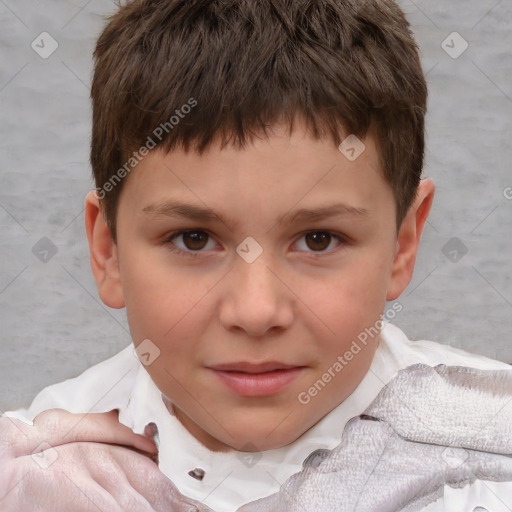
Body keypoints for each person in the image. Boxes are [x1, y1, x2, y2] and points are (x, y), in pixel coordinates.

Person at [1, 0, 511, 511]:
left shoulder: (491, 460)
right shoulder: (34, 473)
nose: (256, 311)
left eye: (318, 239)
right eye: (194, 239)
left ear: (403, 245)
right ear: (108, 251)